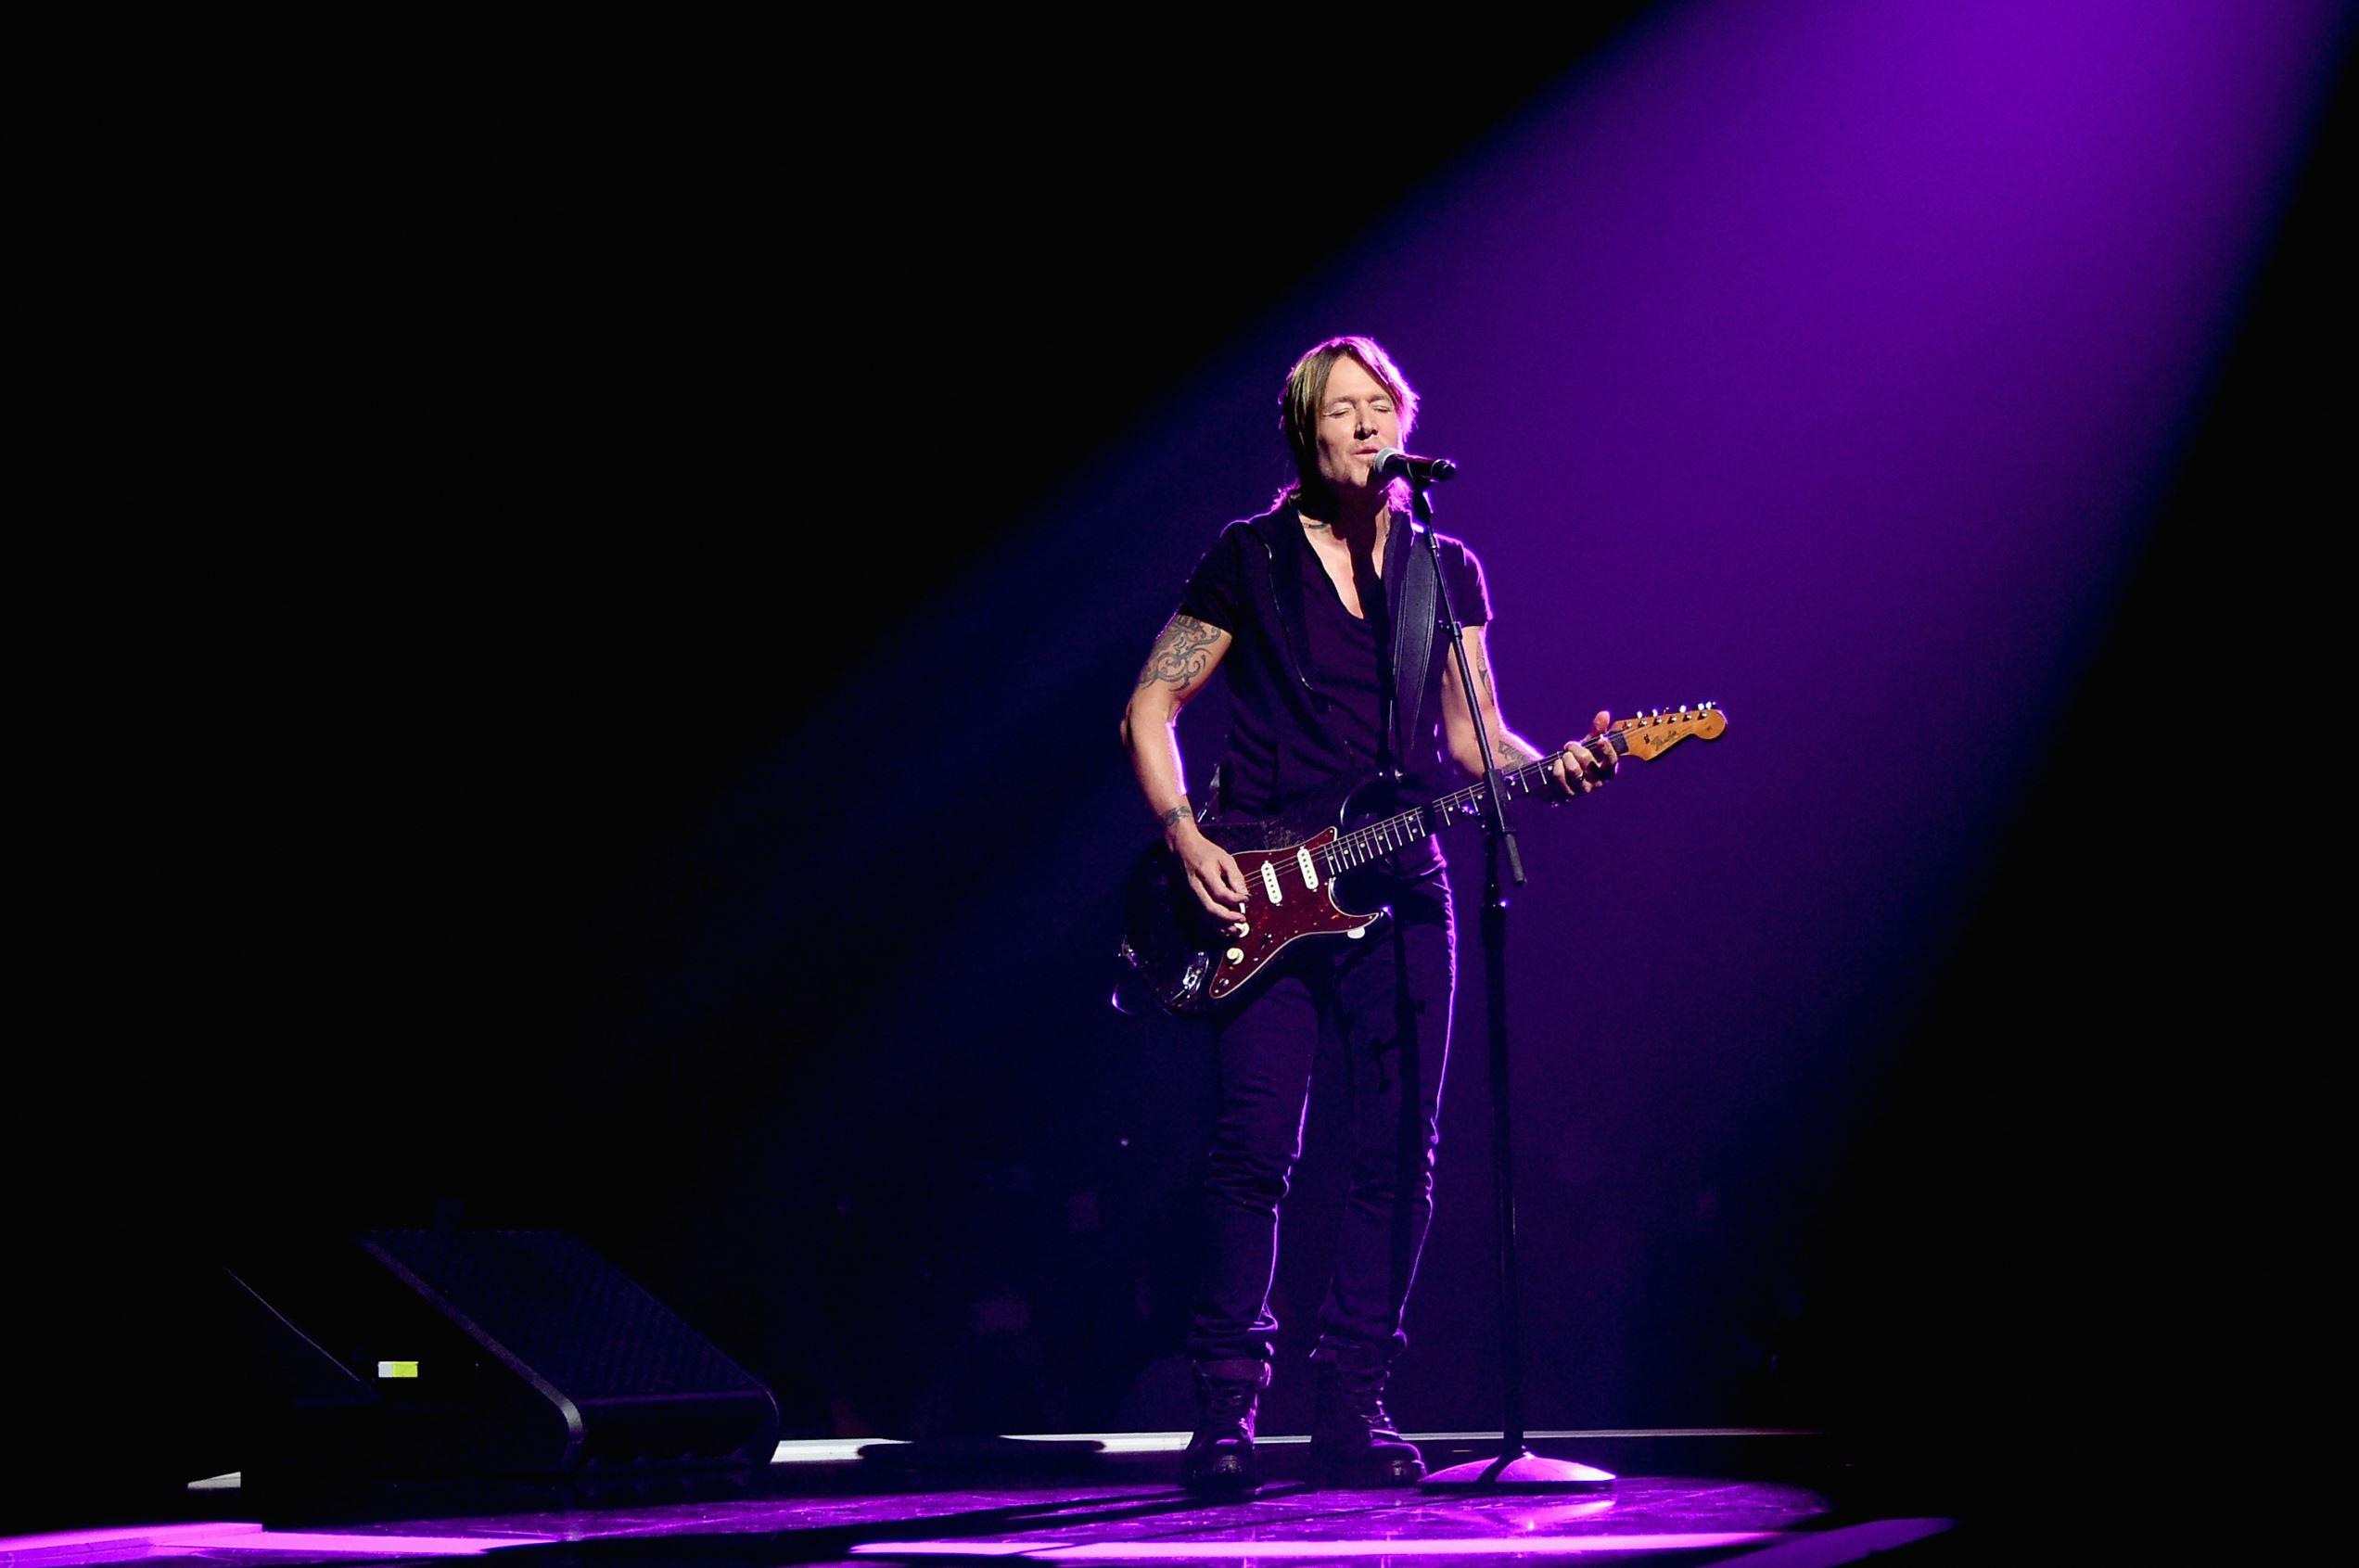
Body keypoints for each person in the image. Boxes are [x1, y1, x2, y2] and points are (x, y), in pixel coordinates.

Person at [1119, 336, 1615, 1496]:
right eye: (1341, 407)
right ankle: (1229, 1410)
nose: (1364, 421)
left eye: (1377, 403)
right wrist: (1184, 829)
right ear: (1305, 430)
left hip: (1404, 885)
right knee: (1256, 1147)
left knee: (1400, 1151)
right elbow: (1152, 701)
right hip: (1266, 889)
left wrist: (1563, 762)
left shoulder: (1445, 568)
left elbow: (1472, 738)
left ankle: (1352, 1400)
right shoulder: (1247, 558)